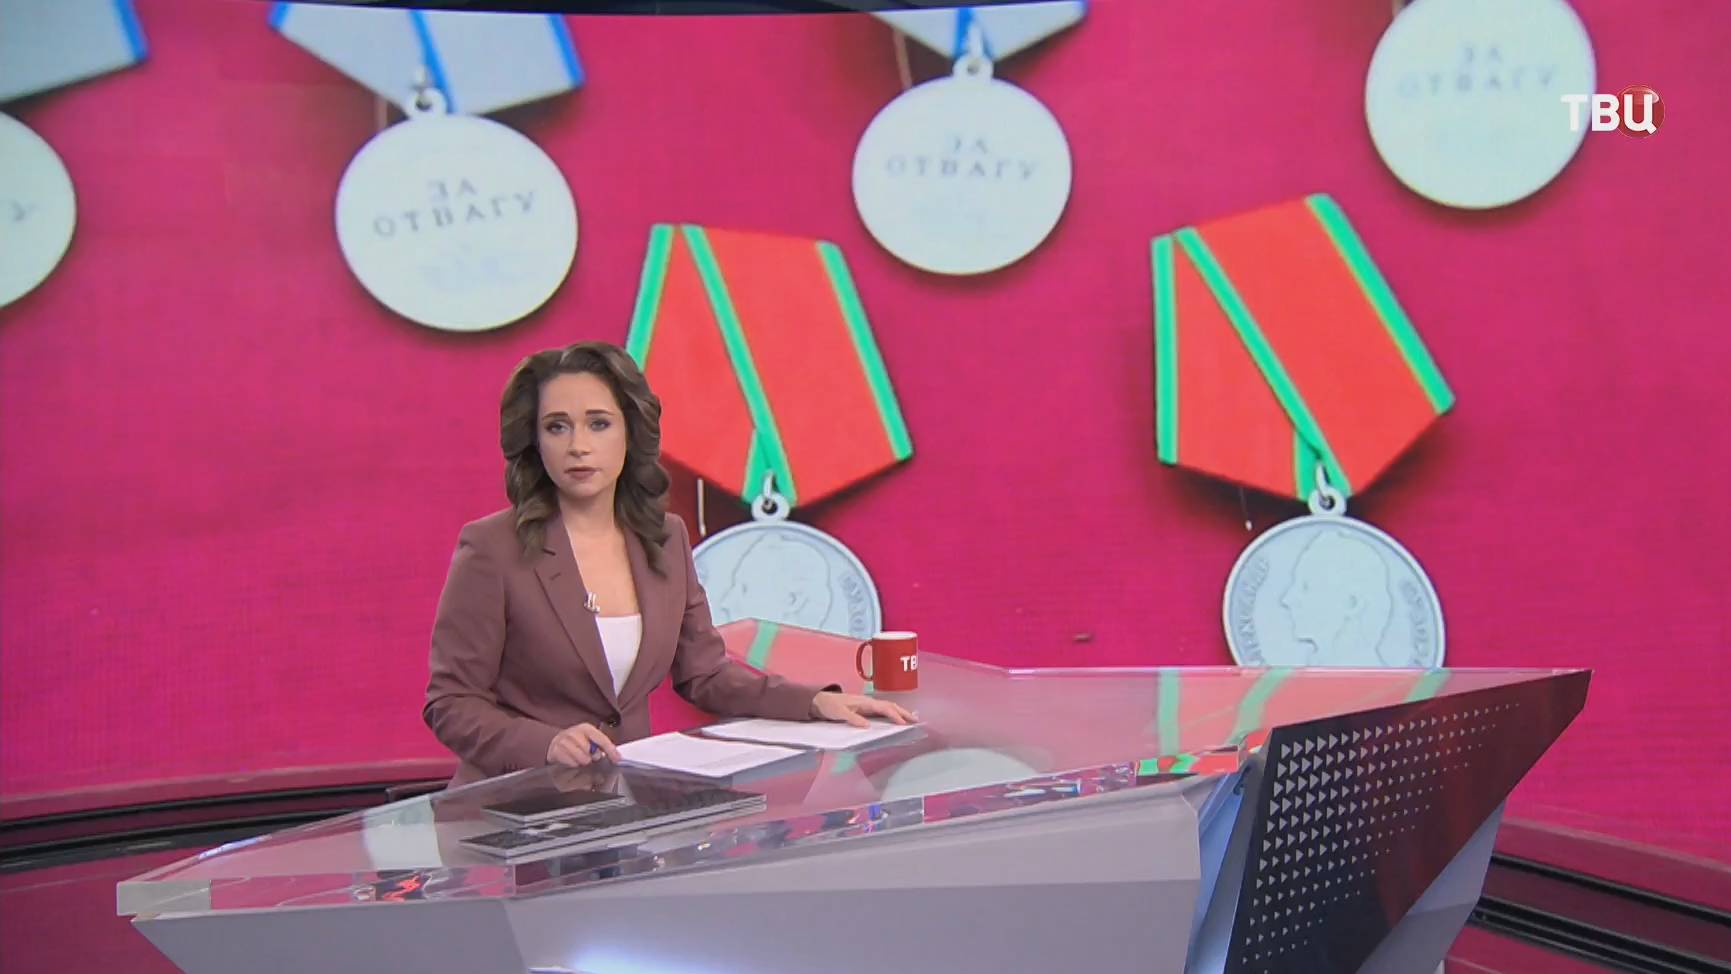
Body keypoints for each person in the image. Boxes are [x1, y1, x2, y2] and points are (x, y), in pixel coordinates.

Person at [424, 341, 911, 787]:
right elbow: (451, 702)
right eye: (557, 426)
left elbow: (705, 674)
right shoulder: (492, 548)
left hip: (622, 805)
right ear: (534, 441)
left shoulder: (664, 538)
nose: (578, 445)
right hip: (516, 807)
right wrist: (544, 744)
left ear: (630, 432)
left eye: (598, 423)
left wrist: (813, 702)